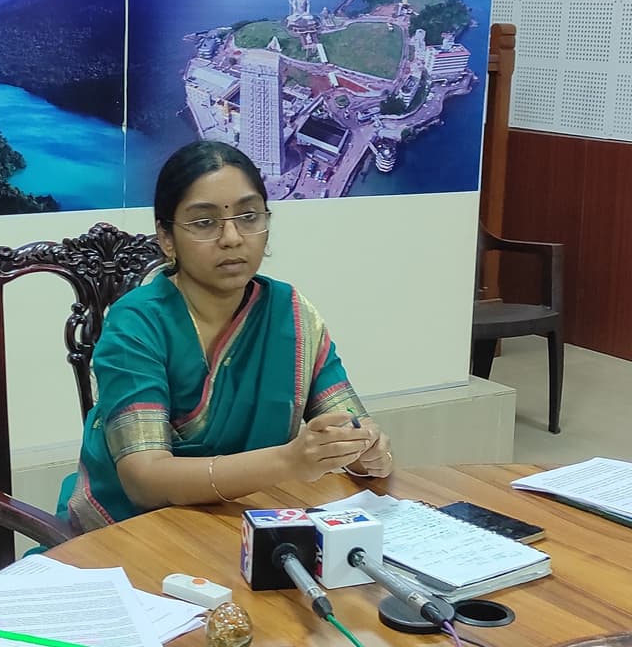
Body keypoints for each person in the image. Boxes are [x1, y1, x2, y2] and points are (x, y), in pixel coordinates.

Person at [61, 140, 392, 533]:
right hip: (134, 533)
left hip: (253, 523)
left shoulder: (290, 314)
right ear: (166, 237)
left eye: (249, 217)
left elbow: (351, 424)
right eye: (205, 223)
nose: (232, 237)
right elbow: (144, 480)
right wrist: (288, 461)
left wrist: (362, 450)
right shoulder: (137, 324)